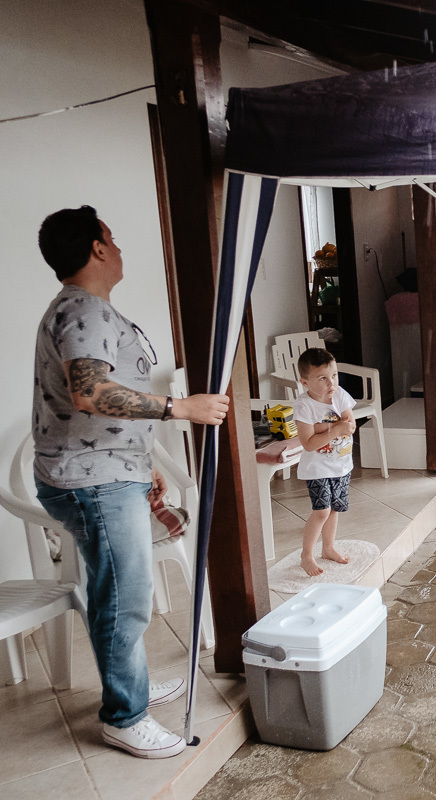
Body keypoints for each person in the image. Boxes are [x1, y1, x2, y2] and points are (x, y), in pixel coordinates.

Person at [32, 206, 229, 759]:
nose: (118, 248)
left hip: (109, 471)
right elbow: (89, 393)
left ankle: (131, 688)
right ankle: (125, 715)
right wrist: (181, 407)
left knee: (119, 588)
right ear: (97, 249)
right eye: (111, 239)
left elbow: (105, 402)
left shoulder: (87, 310)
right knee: (126, 594)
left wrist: (145, 468)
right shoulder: (84, 311)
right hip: (91, 480)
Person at [291, 347, 356, 577]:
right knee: (322, 511)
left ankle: (328, 548)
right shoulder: (304, 406)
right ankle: (306, 555)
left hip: (341, 465)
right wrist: (336, 427)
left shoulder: (339, 395)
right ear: (305, 382)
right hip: (317, 468)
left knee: (335, 509)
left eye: (334, 375)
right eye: (323, 378)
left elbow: (350, 424)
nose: (332, 383)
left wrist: (327, 427)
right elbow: (308, 442)